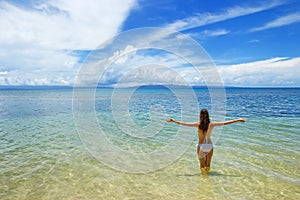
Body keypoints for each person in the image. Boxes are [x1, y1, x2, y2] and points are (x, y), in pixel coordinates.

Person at [166, 109, 246, 174]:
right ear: (208, 116)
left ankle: (203, 181)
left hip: (201, 146)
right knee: (208, 165)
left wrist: (174, 121)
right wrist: (238, 120)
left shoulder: (198, 124)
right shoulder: (211, 125)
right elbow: (225, 123)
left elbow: (184, 124)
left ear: (200, 116)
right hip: (209, 146)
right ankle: (207, 178)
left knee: (202, 165)